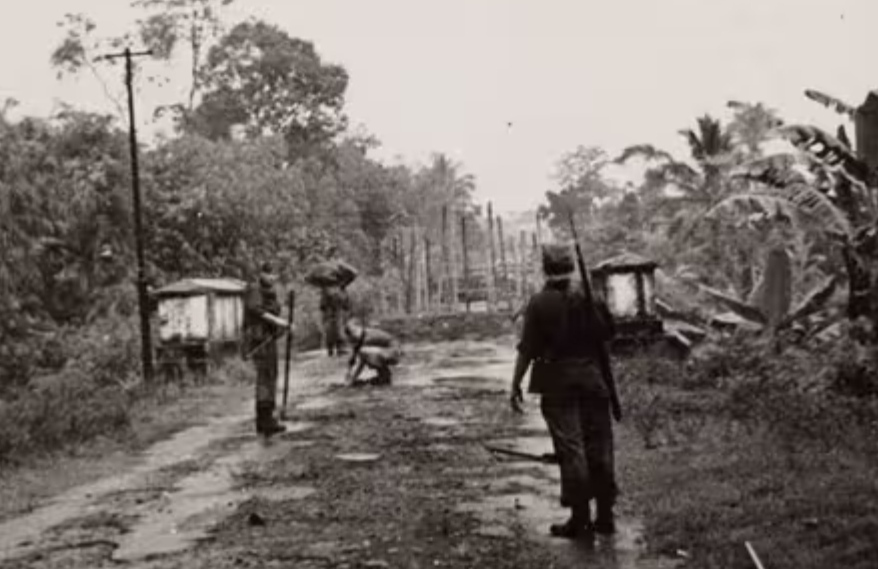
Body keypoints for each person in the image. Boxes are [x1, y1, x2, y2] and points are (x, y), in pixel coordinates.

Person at [509, 243, 618, 538]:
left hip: (558, 384)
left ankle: (580, 520)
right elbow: (609, 333)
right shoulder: (590, 297)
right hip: (594, 382)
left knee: (572, 451)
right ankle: (605, 516)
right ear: (570, 266)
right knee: (600, 447)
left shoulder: (539, 303)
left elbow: (527, 349)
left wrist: (515, 383)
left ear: (545, 268)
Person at [244, 262, 294, 436]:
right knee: (265, 376)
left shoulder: (270, 293)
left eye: (274, 275)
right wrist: (278, 321)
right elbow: (256, 310)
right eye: (269, 274)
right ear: (262, 274)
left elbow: (274, 311)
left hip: (269, 338)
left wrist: (283, 327)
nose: (272, 278)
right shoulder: (255, 289)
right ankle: (264, 420)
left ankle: (268, 417)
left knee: (271, 375)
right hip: (259, 340)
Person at [343, 319, 401, 386]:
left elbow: (361, 362)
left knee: (364, 352)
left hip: (394, 352)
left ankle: (385, 377)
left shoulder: (367, 338)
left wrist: (352, 379)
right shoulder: (361, 339)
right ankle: (384, 376)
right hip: (386, 352)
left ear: (359, 328)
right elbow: (352, 360)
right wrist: (349, 373)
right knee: (365, 353)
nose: (353, 337)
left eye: (354, 332)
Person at [319, 284, 351, 357]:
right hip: (332, 314)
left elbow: (346, 305)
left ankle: (339, 349)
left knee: (338, 331)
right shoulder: (327, 291)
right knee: (332, 332)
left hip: (337, 314)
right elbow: (322, 306)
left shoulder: (341, 291)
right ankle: (332, 350)